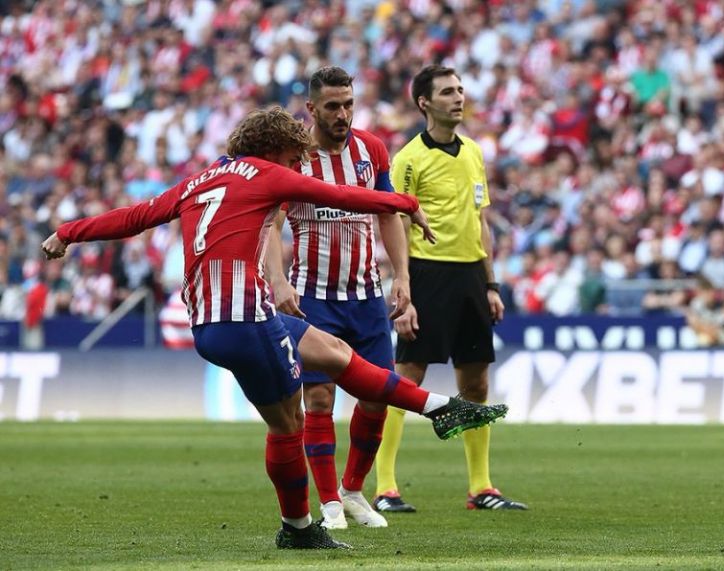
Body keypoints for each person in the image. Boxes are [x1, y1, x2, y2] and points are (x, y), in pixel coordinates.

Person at [40, 106, 508, 549]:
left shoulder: (199, 180)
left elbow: (134, 217)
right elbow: (341, 196)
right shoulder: (267, 173)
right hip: (245, 319)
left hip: (214, 320)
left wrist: (67, 232)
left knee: (333, 353)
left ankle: (438, 407)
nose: (297, 165)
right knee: (289, 424)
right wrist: (405, 202)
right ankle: (298, 529)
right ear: (274, 149)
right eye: (293, 157)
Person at [373, 65, 526, 512]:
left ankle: (481, 488)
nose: (458, 97)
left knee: (476, 382)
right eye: (447, 92)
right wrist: (404, 289)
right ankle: (385, 487)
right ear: (425, 103)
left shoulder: (474, 152)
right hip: (427, 273)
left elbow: (480, 221)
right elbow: (397, 224)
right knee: (406, 379)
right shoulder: (408, 159)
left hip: (471, 277)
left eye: (460, 89)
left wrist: (491, 283)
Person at [265, 66, 405, 530]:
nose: (343, 114)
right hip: (314, 297)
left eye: (348, 104)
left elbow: (388, 213)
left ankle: (353, 490)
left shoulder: (372, 150)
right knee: (320, 399)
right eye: (332, 106)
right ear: (311, 109)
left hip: (367, 296)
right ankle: (328, 503)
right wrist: (279, 281)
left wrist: (402, 275)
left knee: (378, 396)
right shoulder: (294, 157)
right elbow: (271, 225)